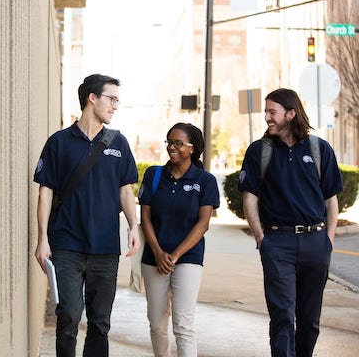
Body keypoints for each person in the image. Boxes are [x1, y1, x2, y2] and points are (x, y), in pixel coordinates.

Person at [33, 74, 140, 357]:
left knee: (100, 323)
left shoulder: (119, 143)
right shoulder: (58, 142)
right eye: (111, 99)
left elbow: (126, 191)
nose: (115, 105)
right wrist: (42, 239)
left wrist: (133, 226)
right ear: (92, 98)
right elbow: (45, 192)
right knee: (68, 315)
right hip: (66, 244)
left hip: (105, 248)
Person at [238, 88, 343, 357]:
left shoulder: (320, 149)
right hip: (278, 244)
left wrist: (327, 240)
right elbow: (250, 198)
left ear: (291, 114)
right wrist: (261, 238)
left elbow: (331, 200)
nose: (267, 118)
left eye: (272, 112)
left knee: (310, 320)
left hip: (315, 242)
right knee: (282, 315)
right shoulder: (259, 151)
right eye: (266, 112)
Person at [138, 122, 220, 357]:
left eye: (178, 143)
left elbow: (203, 224)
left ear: (192, 148)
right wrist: (158, 251)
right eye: (169, 142)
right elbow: (146, 217)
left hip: (188, 257)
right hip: (154, 257)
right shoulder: (154, 175)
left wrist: (175, 255)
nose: (172, 147)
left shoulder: (205, 180)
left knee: (183, 324)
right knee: (156, 323)